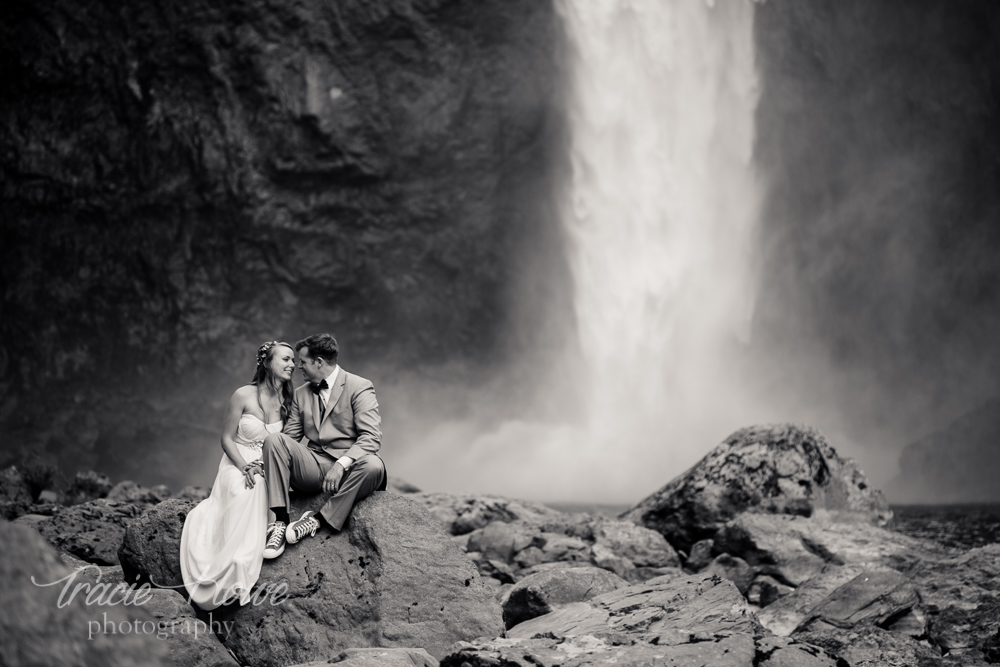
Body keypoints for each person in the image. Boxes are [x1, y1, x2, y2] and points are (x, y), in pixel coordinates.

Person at [179, 340, 295, 610]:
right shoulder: (242, 395)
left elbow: (290, 442)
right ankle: (231, 565)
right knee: (248, 488)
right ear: (267, 363)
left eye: (293, 361)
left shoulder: (290, 401)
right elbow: (226, 439)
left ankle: (243, 561)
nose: (292, 365)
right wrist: (244, 466)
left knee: (263, 484)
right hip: (237, 462)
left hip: (269, 465)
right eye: (286, 359)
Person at [261, 333, 386, 559]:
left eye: (303, 362)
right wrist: (263, 462)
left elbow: (371, 437)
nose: (298, 367)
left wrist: (341, 465)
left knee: (374, 465)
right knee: (275, 440)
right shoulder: (301, 394)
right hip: (314, 466)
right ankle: (279, 522)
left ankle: (317, 520)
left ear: (319, 362)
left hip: (349, 470)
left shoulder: (360, 386)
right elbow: (289, 438)